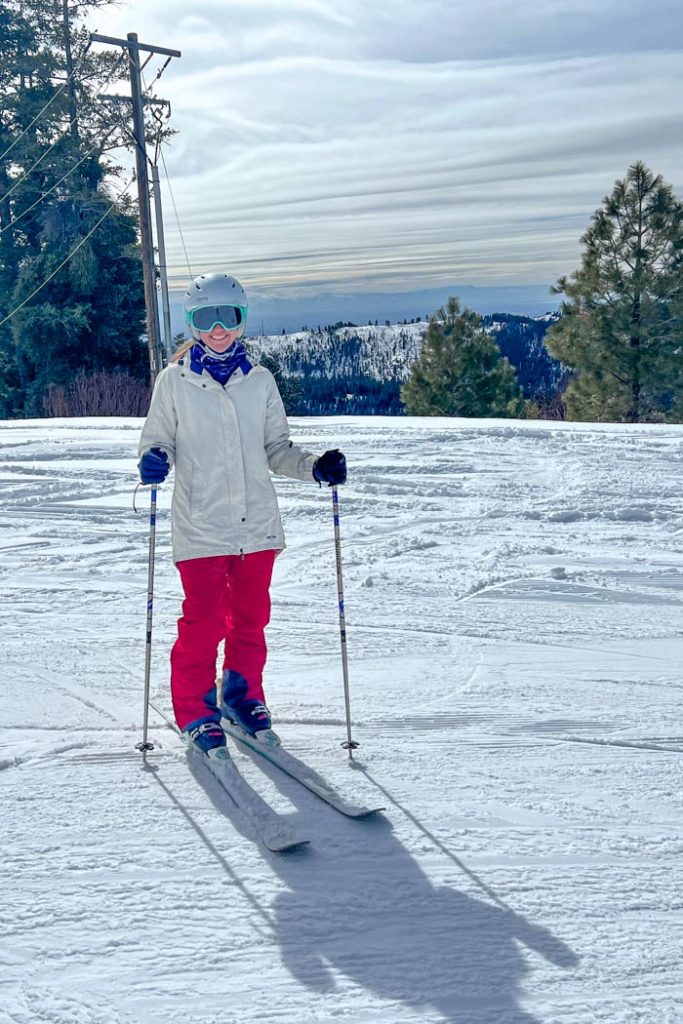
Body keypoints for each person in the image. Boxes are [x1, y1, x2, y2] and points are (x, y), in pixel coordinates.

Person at [138, 272, 346, 756]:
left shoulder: (260, 381)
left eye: (227, 317)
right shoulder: (175, 382)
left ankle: (242, 696)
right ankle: (195, 709)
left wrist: (315, 467)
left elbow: (276, 448)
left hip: (257, 527)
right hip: (201, 524)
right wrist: (154, 461)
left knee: (250, 620)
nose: (217, 329)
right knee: (204, 621)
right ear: (191, 322)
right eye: (205, 318)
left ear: (242, 320)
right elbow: (157, 440)